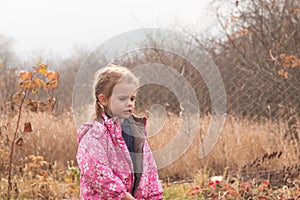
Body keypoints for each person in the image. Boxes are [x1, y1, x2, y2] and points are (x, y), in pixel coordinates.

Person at [76, 64, 163, 200]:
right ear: (103, 100)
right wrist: (123, 196)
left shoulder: (136, 132)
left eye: (132, 99)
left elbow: (149, 169)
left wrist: (155, 196)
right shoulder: (94, 134)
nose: (129, 103)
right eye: (123, 99)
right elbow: (96, 171)